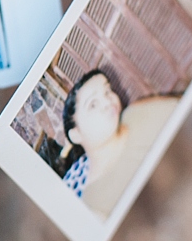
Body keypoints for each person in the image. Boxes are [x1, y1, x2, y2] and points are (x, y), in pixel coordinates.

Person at [57, 68, 179, 218]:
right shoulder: (95, 206)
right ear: (76, 135)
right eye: (93, 104)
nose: (108, 101)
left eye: (107, 91)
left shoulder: (136, 110)